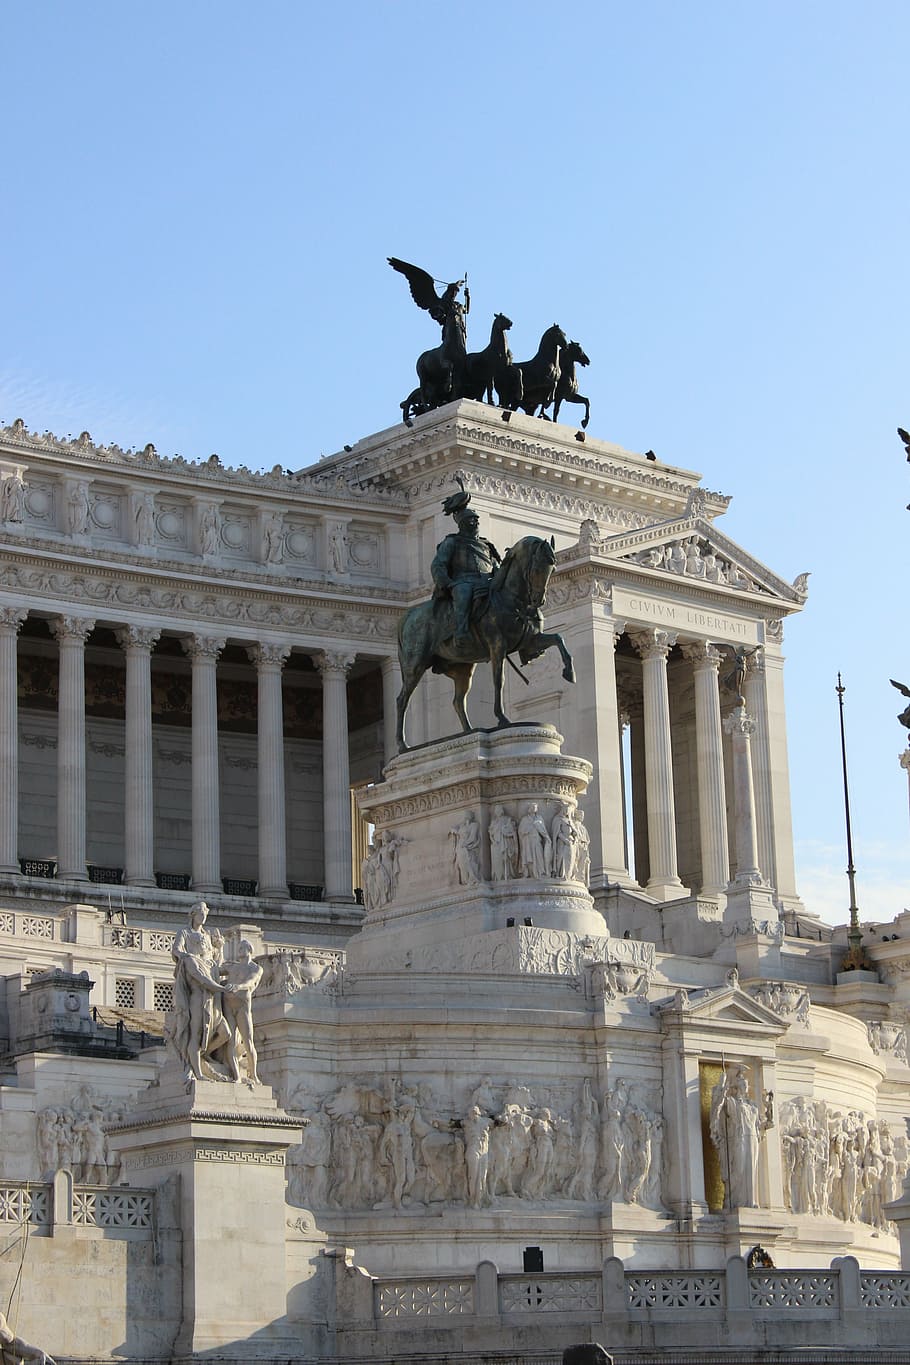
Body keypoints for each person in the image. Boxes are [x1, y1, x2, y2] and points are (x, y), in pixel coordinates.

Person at [169, 901, 232, 1083]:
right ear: (193, 915)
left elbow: (215, 962)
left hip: (213, 997)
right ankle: (198, 1071)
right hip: (199, 994)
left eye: (205, 914)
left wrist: (219, 948)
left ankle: (202, 1056)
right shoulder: (185, 936)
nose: (203, 917)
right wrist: (188, 957)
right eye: (201, 914)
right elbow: (177, 951)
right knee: (195, 1034)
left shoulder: (206, 936)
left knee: (225, 1033)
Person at [430, 489, 501, 651]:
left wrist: (499, 574)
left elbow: (495, 564)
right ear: (462, 523)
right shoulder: (452, 542)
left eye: (476, 520)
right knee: (464, 592)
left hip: (487, 580)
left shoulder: (486, 545)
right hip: (463, 580)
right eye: (471, 521)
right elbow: (438, 565)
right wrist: (447, 583)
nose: (475, 524)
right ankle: (461, 631)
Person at [217, 939, 263, 1083]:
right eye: (239, 947)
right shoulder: (232, 967)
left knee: (248, 1042)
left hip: (242, 1006)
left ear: (250, 949)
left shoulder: (255, 968)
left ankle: (253, 1074)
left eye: (243, 947)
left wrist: (238, 986)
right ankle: (236, 1076)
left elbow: (251, 982)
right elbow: (215, 970)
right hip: (228, 1005)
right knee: (230, 1041)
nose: (240, 949)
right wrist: (219, 948)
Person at [518, 802, 552, 879]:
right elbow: (520, 831)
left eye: (535, 807)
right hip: (527, 841)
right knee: (528, 858)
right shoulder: (525, 819)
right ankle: (529, 874)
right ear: (529, 809)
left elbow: (543, 830)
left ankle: (541, 872)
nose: (534, 809)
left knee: (539, 856)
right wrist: (529, 828)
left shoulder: (539, 818)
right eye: (532, 807)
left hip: (537, 840)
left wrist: (547, 838)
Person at [488, 805, 518, 881]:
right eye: (496, 810)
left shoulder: (507, 819)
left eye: (499, 810)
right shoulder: (493, 822)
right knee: (497, 861)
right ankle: (498, 877)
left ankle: (507, 875)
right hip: (496, 844)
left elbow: (512, 831)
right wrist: (493, 841)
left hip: (505, 842)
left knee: (505, 859)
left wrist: (505, 830)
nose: (498, 812)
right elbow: (490, 833)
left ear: (502, 811)